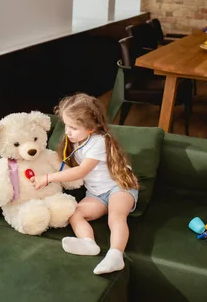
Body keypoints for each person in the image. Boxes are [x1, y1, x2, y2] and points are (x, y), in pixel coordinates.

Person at [30, 93, 139, 275]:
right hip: (96, 194)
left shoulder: (98, 141)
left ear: (91, 127)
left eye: (73, 127)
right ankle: (89, 243)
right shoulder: (75, 142)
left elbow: (81, 172)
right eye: (66, 125)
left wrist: (47, 178)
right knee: (75, 213)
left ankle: (115, 255)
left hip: (119, 187)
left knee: (116, 216)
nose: (67, 131)